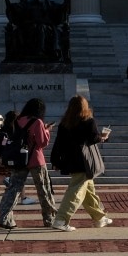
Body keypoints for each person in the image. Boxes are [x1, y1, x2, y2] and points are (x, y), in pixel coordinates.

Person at [49, 95, 113, 231]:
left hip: (70, 159)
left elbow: (58, 143)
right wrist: (103, 137)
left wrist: (55, 160)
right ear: (85, 106)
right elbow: (93, 138)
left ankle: (99, 217)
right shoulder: (88, 121)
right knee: (75, 192)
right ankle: (61, 219)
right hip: (85, 161)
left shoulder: (64, 123)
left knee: (89, 191)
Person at [0, 98, 57, 230]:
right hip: (35, 158)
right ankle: (49, 218)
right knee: (43, 189)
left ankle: (4, 217)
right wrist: (47, 130)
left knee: (14, 188)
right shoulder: (37, 121)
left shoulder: (18, 120)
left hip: (19, 158)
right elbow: (42, 142)